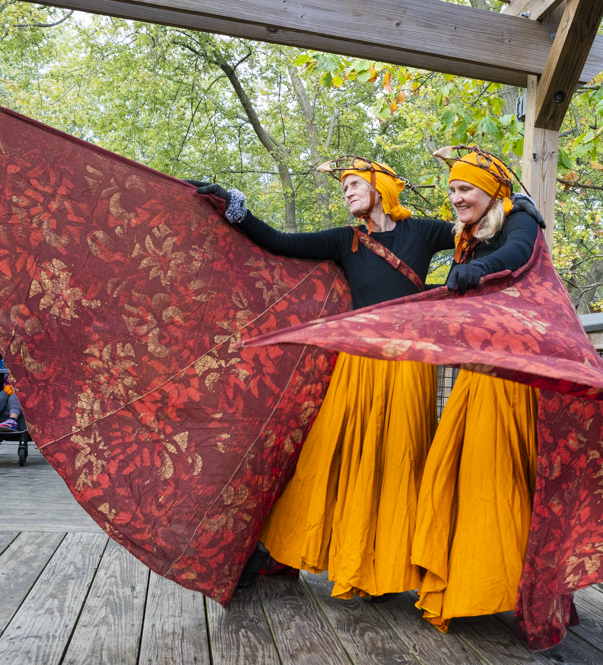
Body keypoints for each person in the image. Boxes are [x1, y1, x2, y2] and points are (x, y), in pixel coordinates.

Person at [192, 158, 453, 599]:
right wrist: (233, 207)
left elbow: (479, 231)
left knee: (399, 460)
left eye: (355, 184)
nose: (347, 192)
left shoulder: (424, 232)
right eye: (344, 186)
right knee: (325, 454)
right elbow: (279, 242)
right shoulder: (344, 240)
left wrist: (517, 208)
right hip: (356, 364)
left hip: (410, 366)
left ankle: (381, 564)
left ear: (381, 187)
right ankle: (278, 548)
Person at [411, 146, 545, 632]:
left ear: (491, 192)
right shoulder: (468, 234)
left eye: (464, 188)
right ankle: (467, 582)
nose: (455, 197)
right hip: (478, 368)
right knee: (456, 469)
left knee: (496, 476)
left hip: (514, 372)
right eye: (451, 190)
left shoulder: (520, 218)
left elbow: (517, 255)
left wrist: (478, 270)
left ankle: (499, 585)